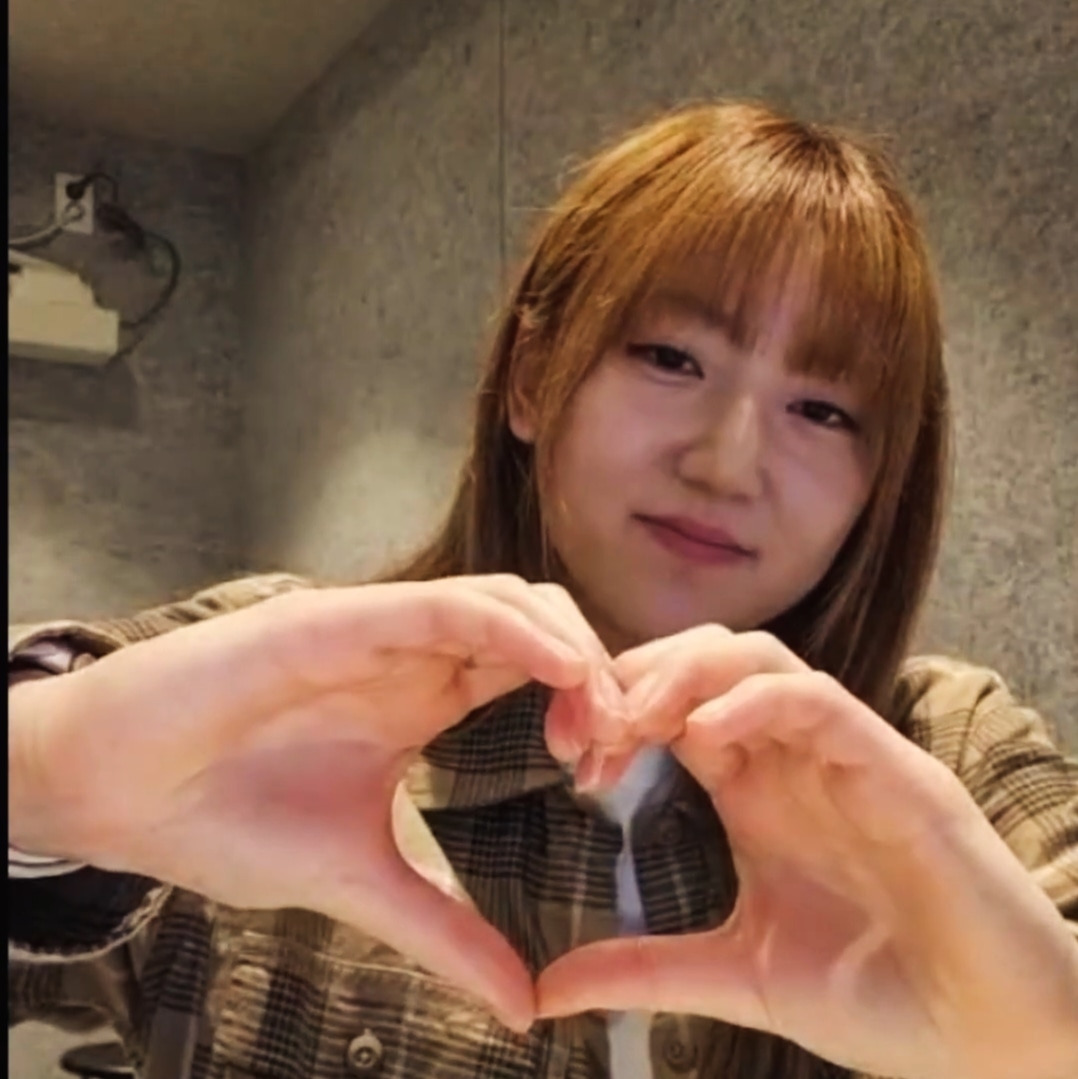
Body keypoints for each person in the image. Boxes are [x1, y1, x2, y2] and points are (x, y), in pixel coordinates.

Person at [8, 101, 1078, 1079]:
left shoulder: (944, 745)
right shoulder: (291, 681)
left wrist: (1040, 1045)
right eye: (671, 357)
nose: (727, 463)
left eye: (825, 412)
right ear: (531, 376)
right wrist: (43, 775)